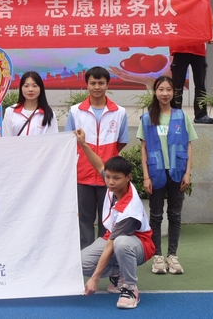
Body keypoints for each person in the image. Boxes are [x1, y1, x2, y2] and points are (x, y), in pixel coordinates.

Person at [75, 129, 155, 309]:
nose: (110, 182)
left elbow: (112, 243)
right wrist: (83, 144)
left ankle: (130, 287)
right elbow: (99, 165)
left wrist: (95, 278)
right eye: (108, 177)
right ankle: (119, 271)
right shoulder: (114, 184)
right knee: (80, 263)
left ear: (128, 178)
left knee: (121, 243)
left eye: (116, 178)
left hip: (140, 244)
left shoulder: (129, 209)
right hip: (113, 238)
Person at [137, 76, 197, 275]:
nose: (165, 93)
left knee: (175, 215)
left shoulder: (181, 116)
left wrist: (187, 172)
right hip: (156, 172)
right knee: (155, 215)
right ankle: (158, 257)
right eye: (161, 89)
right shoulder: (147, 118)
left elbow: (189, 145)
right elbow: (144, 148)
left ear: (173, 92)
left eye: (168, 90)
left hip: (177, 172)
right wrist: (146, 176)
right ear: (155, 92)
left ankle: (173, 256)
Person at [65, 66, 129, 249]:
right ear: (87, 85)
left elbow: (121, 142)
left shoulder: (119, 112)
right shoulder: (75, 111)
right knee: (84, 220)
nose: (97, 87)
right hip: (82, 175)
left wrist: (107, 157)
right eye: (93, 83)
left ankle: (103, 257)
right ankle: (85, 257)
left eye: (101, 83)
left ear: (107, 84)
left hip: (109, 177)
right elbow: (69, 141)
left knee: (107, 220)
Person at [170, 0, 213, 124]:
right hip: (180, 48)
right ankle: (175, 114)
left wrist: (211, 34)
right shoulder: (173, 1)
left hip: (198, 49)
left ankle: (200, 115)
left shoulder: (202, 1)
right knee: (177, 84)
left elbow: (209, 20)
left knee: (200, 84)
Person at [2, 71, 59, 136]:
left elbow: (52, 140)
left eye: (35, 86)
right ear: (21, 88)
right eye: (26, 86)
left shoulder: (49, 114)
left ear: (41, 88)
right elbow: (6, 138)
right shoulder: (10, 111)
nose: (30, 89)